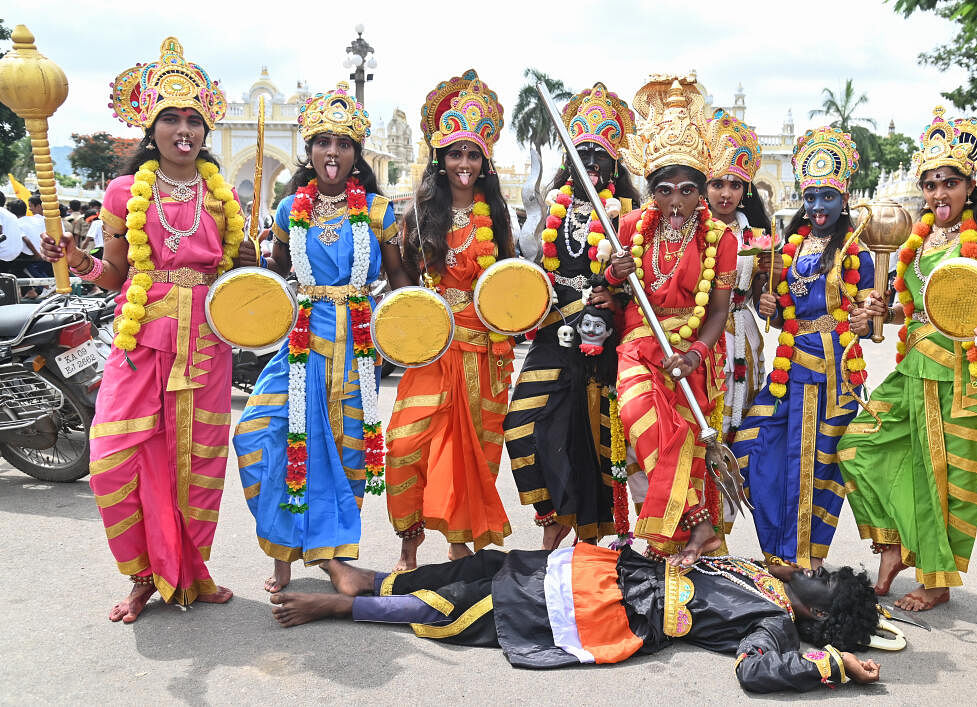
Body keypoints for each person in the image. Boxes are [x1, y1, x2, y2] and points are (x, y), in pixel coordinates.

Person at [39, 37, 256, 622]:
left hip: (205, 345)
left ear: (205, 132)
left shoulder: (222, 197)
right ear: (151, 128)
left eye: (193, 119)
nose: (183, 129)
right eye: (170, 118)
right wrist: (77, 259)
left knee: (199, 459)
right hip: (141, 340)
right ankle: (142, 576)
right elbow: (111, 276)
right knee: (116, 453)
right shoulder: (122, 192)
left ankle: (194, 570)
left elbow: (238, 277)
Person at [838, 107, 977, 611]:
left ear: (969, 187)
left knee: (946, 479)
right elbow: (915, 309)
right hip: (914, 367)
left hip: (963, 375)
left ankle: (937, 581)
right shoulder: (915, 246)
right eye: (931, 184)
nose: (939, 194)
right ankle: (894, 542)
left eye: (950, 183)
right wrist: (882, 312)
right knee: (859, 446)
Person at [269, 546, 884, 693]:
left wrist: (834, 665)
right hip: (613, 570)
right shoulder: (765, 575)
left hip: (607, 611)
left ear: (817, 610)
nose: (812, 567)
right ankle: (371, 581)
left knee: (473, 609)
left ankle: (342, 606)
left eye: (823, 579)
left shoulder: (774, 622)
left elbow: (756, 673)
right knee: (489, 565)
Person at [232, 82, 397, 593]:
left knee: (348, 453)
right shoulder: (287, 211)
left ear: (356, 154)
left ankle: (339, 560)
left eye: (343, 143)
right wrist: (250, 267)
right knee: (260, 433)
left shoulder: (376, 210)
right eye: (324, 141)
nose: (333, 152)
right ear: (309, 150)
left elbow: (403, 280)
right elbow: (277, 273)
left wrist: (420, 324)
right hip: (300, 345)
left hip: (356, 346)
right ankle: (283, 555)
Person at [591, 75, 737, 565]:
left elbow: (718, 312)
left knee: (688, 446)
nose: (676, 202)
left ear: (702, 191)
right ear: (651, 189)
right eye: (665, 190)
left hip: (692, 353)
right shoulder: (630, 228)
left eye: (688, 190)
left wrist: (695, 351)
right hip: (638, 344)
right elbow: (609, 286)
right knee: (648, 426)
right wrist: (616, 271)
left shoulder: (721, 239)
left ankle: (675, 543)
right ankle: (699, 525)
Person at [384, 70, 516, 569]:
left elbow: (509, 284)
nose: (464, 163)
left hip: (483, 352)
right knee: (407, 444)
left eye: (473, 154)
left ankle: (459, 545)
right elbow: (400, 274)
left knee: (472, 454)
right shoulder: (418, 215)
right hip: (434, 347)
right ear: (440, 158)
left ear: (484, 162)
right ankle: (408, 543)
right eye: (455, 153)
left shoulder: (498, 216)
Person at [503, 82, 639, 549]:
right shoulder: (548, 209)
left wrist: (617, 297)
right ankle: (552, 521)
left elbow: (644, 287)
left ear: (615, 164)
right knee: (522, 426)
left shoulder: (631, 216)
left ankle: (584, 548)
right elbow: (530, 273)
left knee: (590, 439)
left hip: (604, 341)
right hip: (553, 334)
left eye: (600, 156)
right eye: (582, 153)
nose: (591, 164)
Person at [732, 126, 873, 570]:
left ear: (843, 197)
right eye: (810, 197)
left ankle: (802, 557)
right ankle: (777, 547)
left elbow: (868, 320)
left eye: (826, 197)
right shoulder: (788, 248)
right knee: (757, 445)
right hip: (789, 365)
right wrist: (767, 303)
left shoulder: (856, 249)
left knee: (813, 462)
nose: (816, 207)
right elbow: (778, 311)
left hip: (831, 369)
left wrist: (867, 319)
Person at [704, 109, 772, 440]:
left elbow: (761, 299)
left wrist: (769, 299)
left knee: (740, 421)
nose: (726, 193)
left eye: (734, 184)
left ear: (745, 189)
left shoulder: (757, 235)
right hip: (700, 332)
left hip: (744, 333)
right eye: (717, 184)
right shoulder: (692, 230)